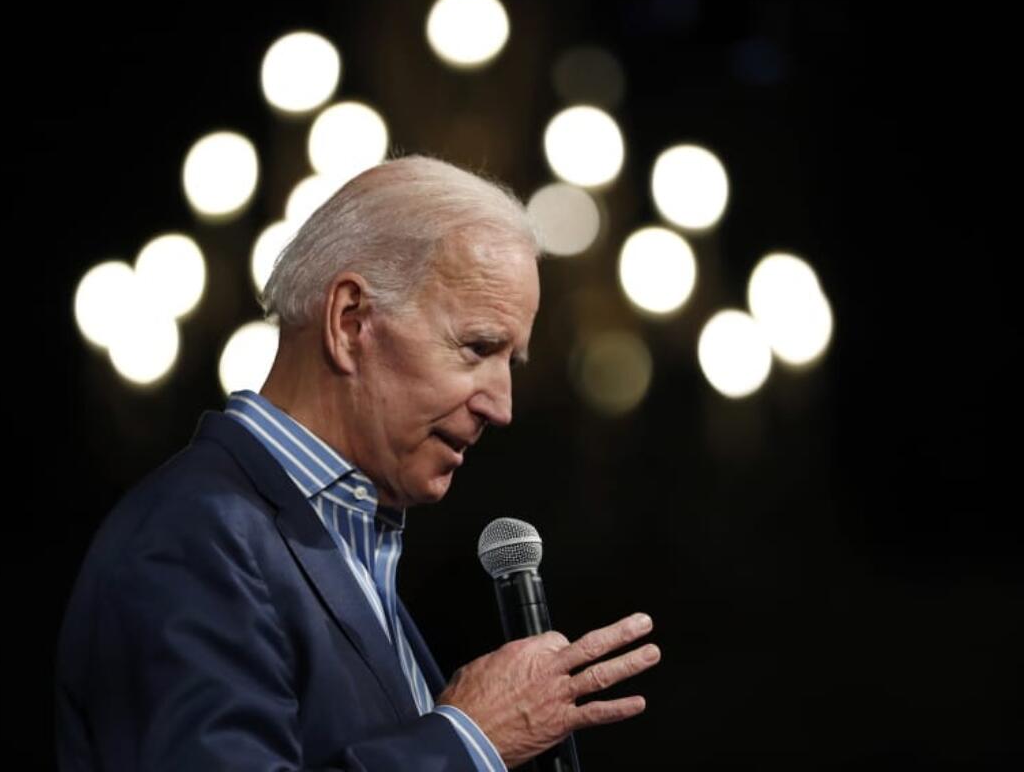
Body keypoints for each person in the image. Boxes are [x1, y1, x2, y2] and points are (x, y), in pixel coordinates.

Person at [56, 156, 660, 771]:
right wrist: (468, 742)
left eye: (512, 362)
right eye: (478, 348)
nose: (501, 406)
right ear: (350, 322)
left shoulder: (345, 541)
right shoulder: (191, 536)